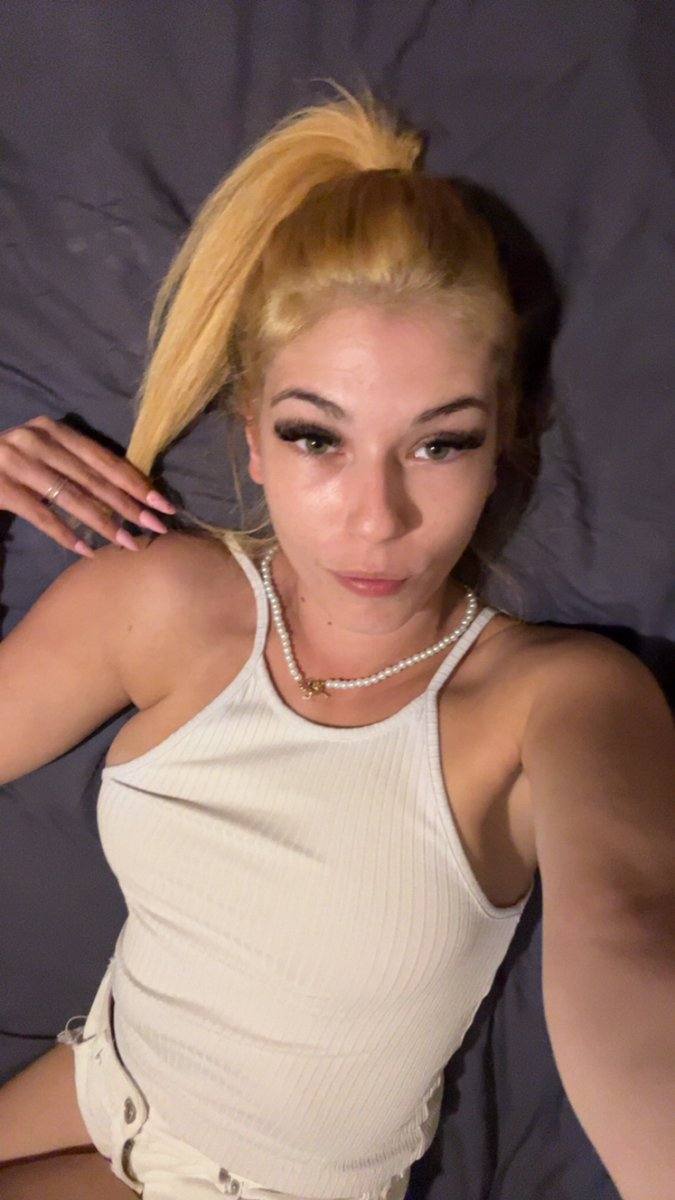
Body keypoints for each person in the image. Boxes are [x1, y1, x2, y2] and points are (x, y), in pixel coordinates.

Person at [0, 88, 672, 1200]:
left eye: (439, 445)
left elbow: (633, 940)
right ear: (251, 440)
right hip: (97, 1078)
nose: (375, 519)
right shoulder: (159, 604)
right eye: (317, 437)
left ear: (502, 444)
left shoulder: (555, 701)